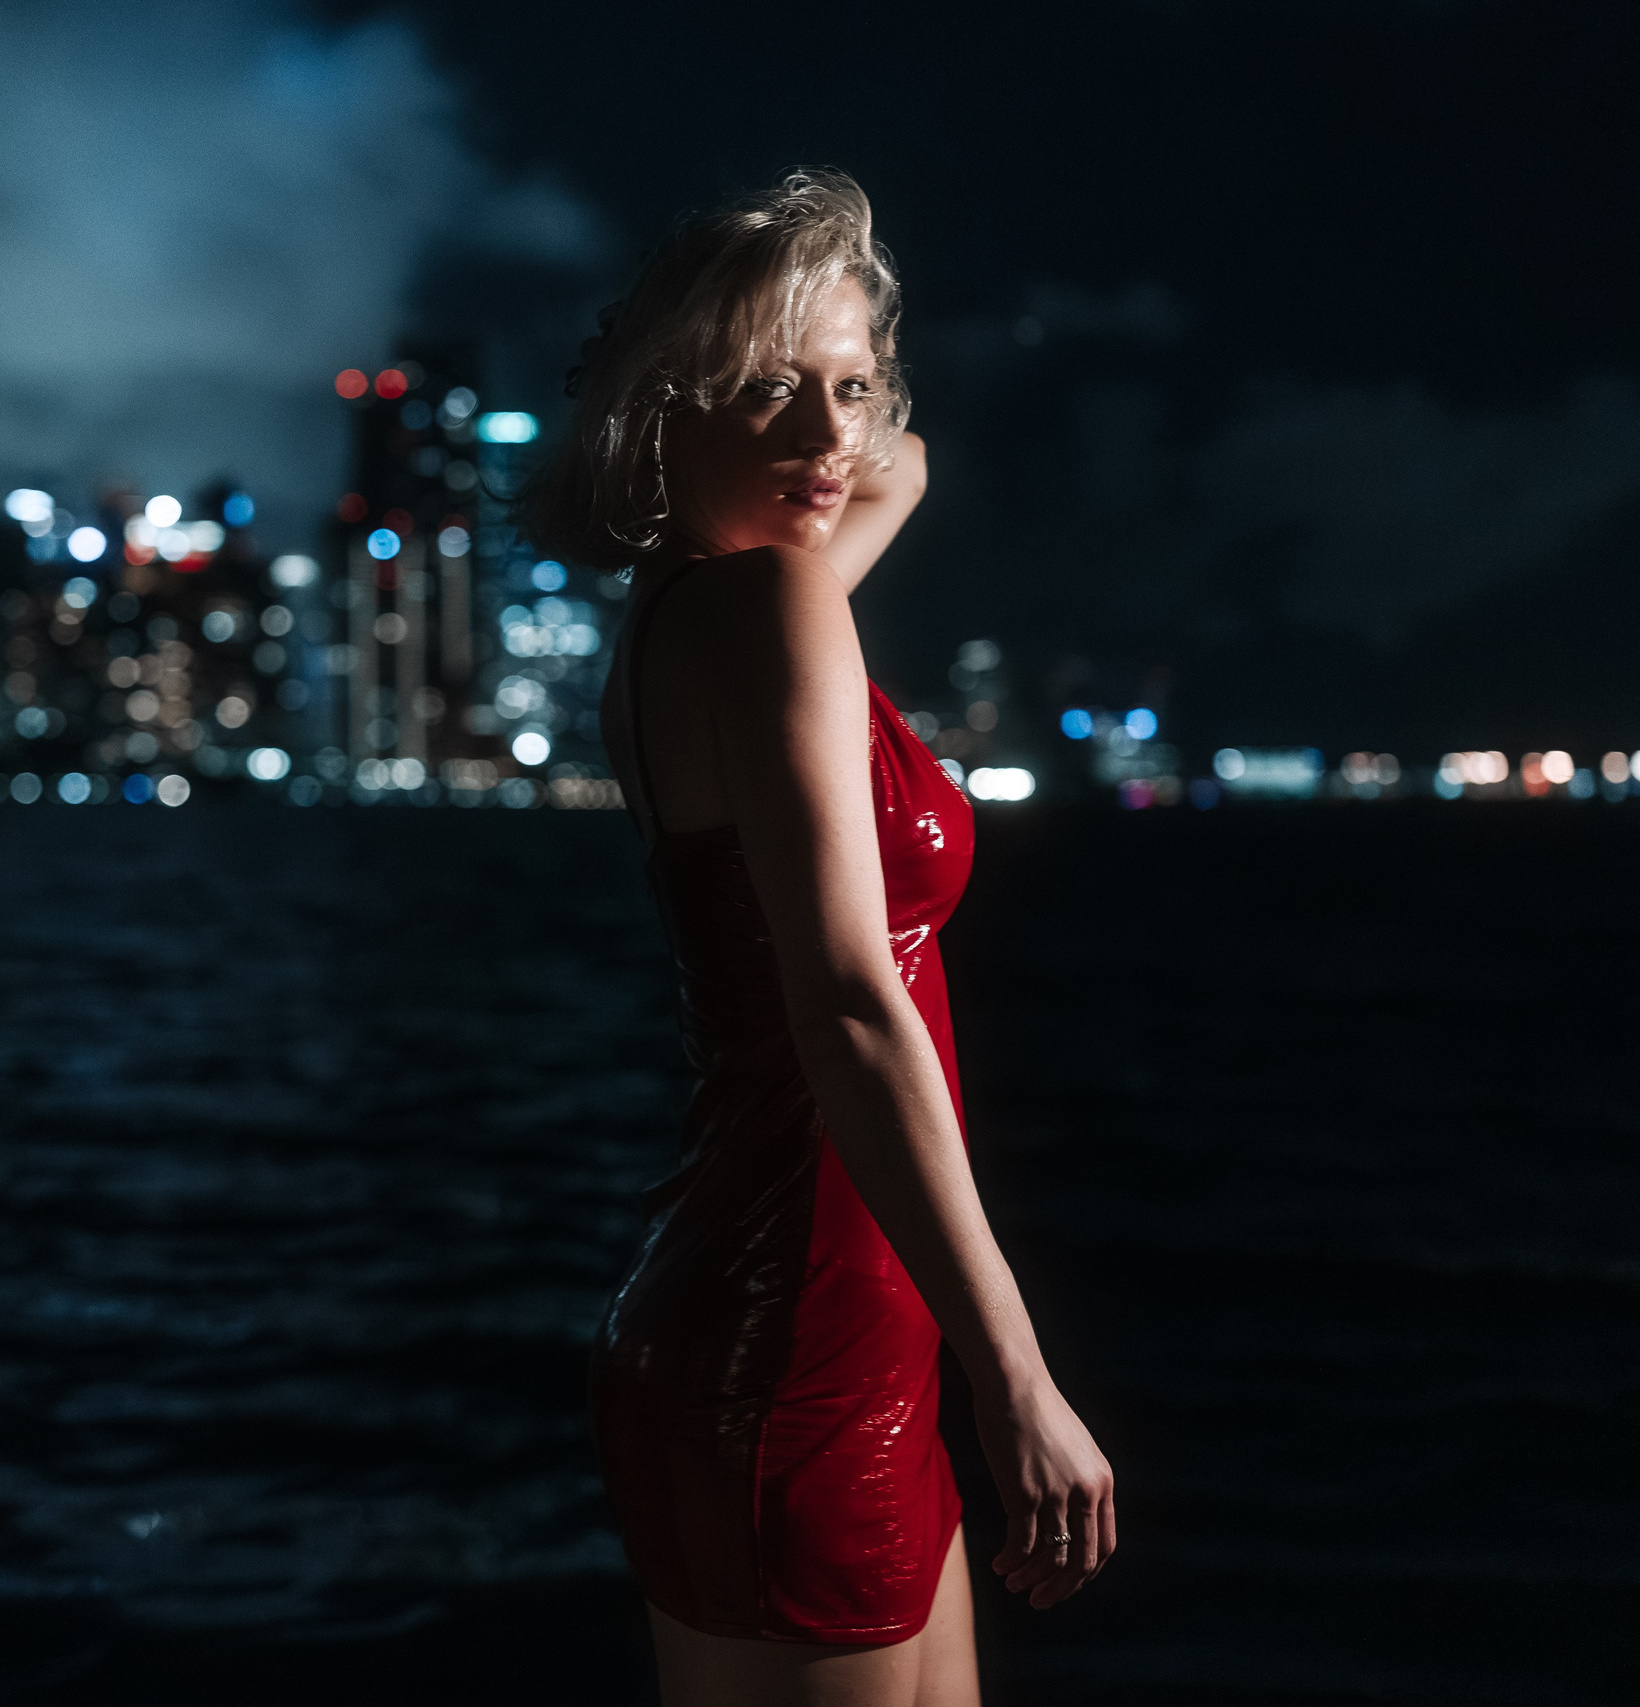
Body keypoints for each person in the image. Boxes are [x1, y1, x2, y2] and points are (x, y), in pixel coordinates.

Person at [531, 169, 1115, 1707]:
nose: (829, 438)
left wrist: (815, 335)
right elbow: (853, 1007)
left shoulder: (688, 620)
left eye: (848, 385)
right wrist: (1021, 1380)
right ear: (669, 408)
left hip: (800, 1316)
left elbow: (897, 465)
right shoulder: (771, 610)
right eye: (766, 391)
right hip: (797, 1339)